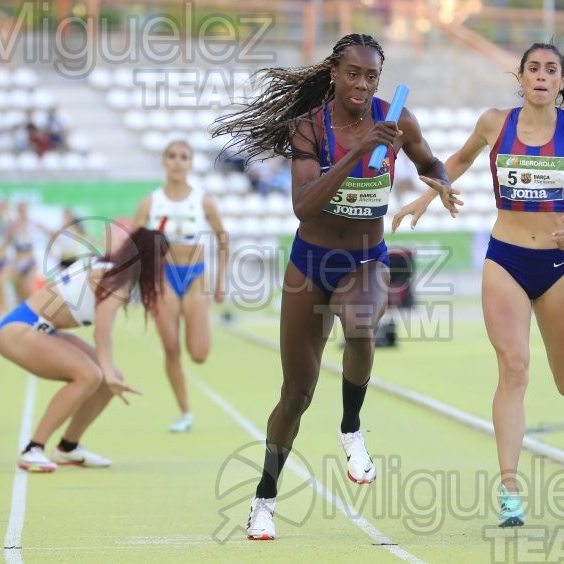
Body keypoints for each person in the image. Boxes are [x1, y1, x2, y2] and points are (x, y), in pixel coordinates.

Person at [212, 33, 452, 540]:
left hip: (366, 259)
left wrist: (440, 188)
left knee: (362, 326)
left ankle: (350, 428)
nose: (362, 84)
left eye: (371, 76)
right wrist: (360, 150)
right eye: (354, 73)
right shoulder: (310, 128)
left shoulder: (398, 120)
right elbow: (304, 205)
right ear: (334, 74)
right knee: (295, 395)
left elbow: (431, 164)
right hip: (309, 264)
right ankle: (264, 499)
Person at [392, 32, 564, 527]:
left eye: (550, 71)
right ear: (520, 78)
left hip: (560, 267)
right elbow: (456, 161)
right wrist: (427, 197)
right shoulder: (495, 123)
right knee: (513, 368)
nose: (541, 76)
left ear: (561, 82)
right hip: (506, 261)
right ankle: (510, 491)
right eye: (533, 69)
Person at [0, 227, 167, 472]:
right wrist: (105, 371)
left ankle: (68, 447)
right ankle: (33, 448)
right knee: (90, 376)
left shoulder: (110, 266)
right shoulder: (114, 280)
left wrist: (110, 374)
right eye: (161, 260)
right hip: (20, 330)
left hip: (38, 328)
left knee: (111, 378)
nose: (163, 267)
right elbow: (102, 335)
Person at [133, 140, 228, 433]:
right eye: (172, 156)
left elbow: (223, 238)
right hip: (164, 277)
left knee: (198, 354)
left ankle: (201, 321)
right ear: (164, 161)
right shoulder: (151, 201)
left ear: (190, 163)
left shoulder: (203, 201)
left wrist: (220, 280)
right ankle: (185, 412)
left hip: (196, 277)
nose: (177, 161)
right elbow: (135, 241)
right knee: (171, 348)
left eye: (183, 157)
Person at [9, 200, 51, 303]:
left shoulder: (33, 223)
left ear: (27, 210)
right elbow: (7, 240)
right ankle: (20, 315)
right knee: (18, 291)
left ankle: (30, 312)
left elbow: (50, 232)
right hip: (17, 260)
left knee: (27, 289)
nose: (22, 211)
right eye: (20, 209)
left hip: (30, 260)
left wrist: (50, 248)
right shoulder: (13, 224)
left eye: (24, 209)